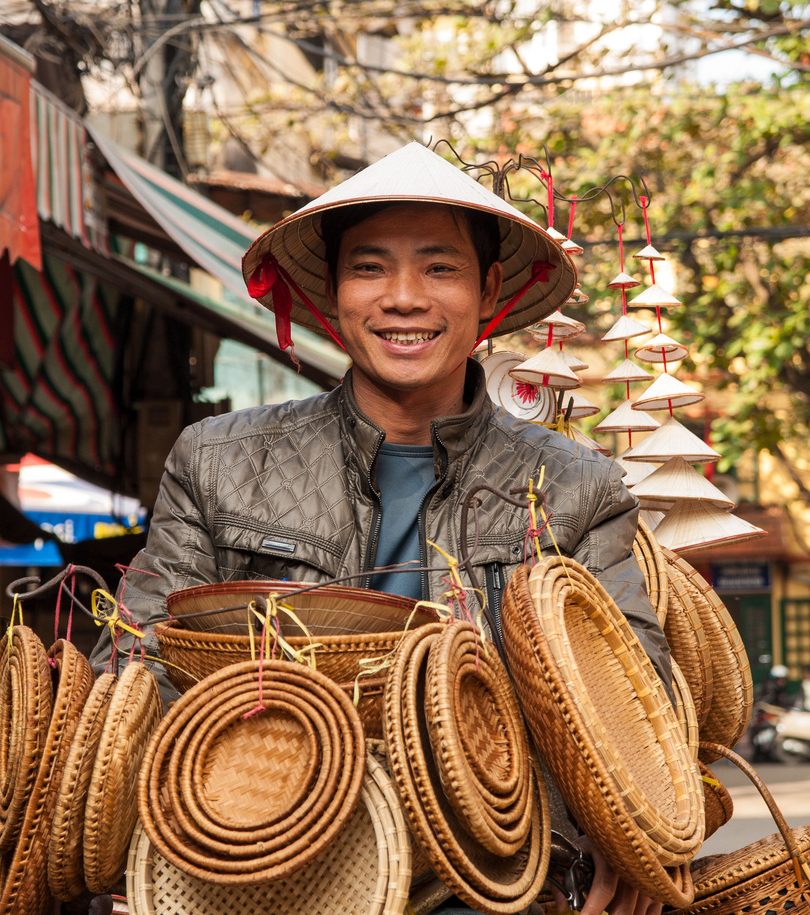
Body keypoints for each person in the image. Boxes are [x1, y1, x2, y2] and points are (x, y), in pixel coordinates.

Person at [90, 142, 672, 915]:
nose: (403, 298)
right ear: (332, 292)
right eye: (369, 267)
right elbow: (136, 665)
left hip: (491, 880)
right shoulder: (220, 460)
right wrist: (146, 836)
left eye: (439, 267)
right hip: (261, 864)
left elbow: (634, 701)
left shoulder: (575, 486)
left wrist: (619, 843)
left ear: (488, 288)